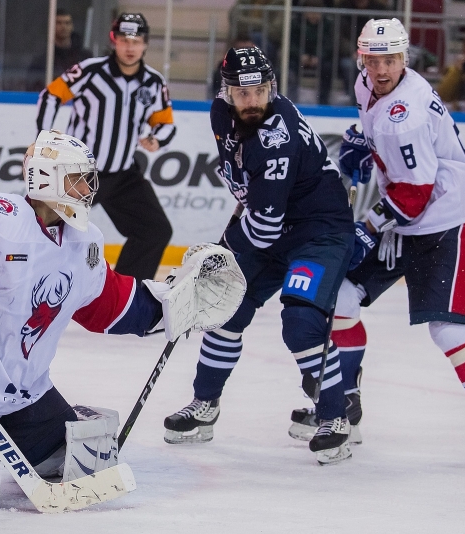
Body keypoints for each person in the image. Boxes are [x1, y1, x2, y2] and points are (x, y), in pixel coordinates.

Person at [0, 129, 243, 481]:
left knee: (82, 463)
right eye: (77, 179)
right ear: (46, 179)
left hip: (23, 396)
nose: (87, 190)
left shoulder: (84, 243)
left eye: (87, 179)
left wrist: (171, 306)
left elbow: (108, 304)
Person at [291, 19, 465, 468]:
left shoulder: (408, 114)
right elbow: (370, 124)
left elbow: (415, 194)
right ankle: (344, 406)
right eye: (374, 60)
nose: (382, 69)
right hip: (408, 216)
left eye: (391, 60)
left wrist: (367, 227)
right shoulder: (369, 84)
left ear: (406, 59)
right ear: (362, 60)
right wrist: (357, 143)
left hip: (446, 219)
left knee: (448, 328)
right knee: (341, 296)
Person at [163, 46, 357, 466]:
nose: (252, 101)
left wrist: (218, 256)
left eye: (260, 91)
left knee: (303, 321)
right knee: (225, 307)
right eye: (242, 92)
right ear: (226, 92)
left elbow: (264, 230)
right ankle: (205, 405)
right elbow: (250, 194)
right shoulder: (220, 113)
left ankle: (335, 418)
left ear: (272, 88)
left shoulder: (274, 140)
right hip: (273, 224)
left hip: (317, 231)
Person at [36, 13, 176, 281]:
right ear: (114, 41)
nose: (130, 47)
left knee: (155, 231)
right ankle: (30, 286)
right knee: (46, 230)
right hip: (79, 173)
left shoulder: (154, 82)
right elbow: (51, 95)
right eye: (124, 40)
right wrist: (45, 136)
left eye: (136, 41)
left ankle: (124, 297)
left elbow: (166, 123)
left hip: (123, 174)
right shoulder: (90, 71)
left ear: (145, 43)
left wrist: (156, 139)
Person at [26, 8, 92, 93]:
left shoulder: (84, 57)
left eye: (67, 23)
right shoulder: (42, 60)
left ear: (72, 26)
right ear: (51, 26)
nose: (63, 26)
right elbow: (32, 87)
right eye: (59, 23)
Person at [288, 0, 335, 104]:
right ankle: (291, 100)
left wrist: (318, 57)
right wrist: (300, 55)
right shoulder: (296, 23)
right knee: (289, 69)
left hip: (319, 59)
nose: (314, 15)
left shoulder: (328, 24)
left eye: (317, 12)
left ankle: (323, 102)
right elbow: (291, 43)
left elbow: (329, 45)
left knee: (328, 68)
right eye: (310, 12)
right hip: (298, 58)